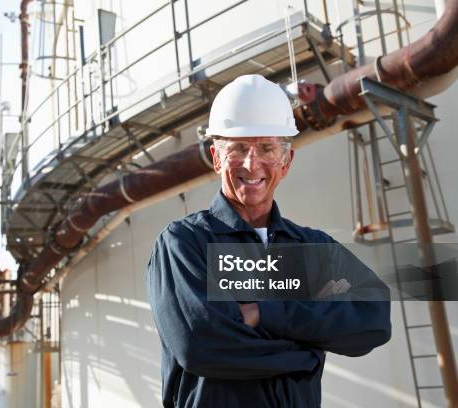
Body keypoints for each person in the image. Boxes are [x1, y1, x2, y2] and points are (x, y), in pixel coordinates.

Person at [146, 74, 391, 407]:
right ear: (217, 158)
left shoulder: (312, 248)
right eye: (238, 149)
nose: (252, 163)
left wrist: (262, 314)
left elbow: (374, 319)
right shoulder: (185, 243)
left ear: (286, 161)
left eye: (266, 148)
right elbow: (200, 345)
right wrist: (307, 354)